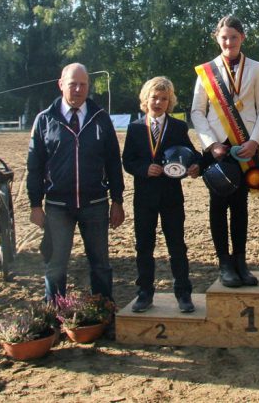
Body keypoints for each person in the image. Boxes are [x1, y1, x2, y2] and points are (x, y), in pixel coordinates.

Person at [27, 63, 125, 303]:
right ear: (61, 84)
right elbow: (35, 166)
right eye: (73, 84)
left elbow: (113, 162)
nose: (78, 89)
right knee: (56, 265)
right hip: (58, 206)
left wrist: (117, 200)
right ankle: (55, 314)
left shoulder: (101, 118)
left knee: (100, 264)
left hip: (95, 204)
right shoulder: (44, 120)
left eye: (83, 84)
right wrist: (35, 204)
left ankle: (103, 311)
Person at [191, 15, 259, 288]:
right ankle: (223, 263)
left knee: (240, 207)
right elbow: (197, 112)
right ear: (217, 38)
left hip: (244, 147)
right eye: (224, 37)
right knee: (218, 206)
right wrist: (211, 144)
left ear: (242, 38)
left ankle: (240, 262)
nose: (228, 42)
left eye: (234, 37)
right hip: (216, 150)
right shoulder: (206, 71)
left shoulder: (257, 68)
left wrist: (255, 141)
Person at [123, 77, 200, 313]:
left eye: (164, 99)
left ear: (170, 102)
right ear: (146, 99)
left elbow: (192, 154)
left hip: (171, 196)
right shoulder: (135, 128)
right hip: (144, 197)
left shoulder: (178, 127)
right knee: (144, 246)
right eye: (154, 97)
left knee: (177, 245)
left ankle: (183, 294)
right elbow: (128, 160)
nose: (158, 102)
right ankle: (145, 293)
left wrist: (196, 166)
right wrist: (144, 169)